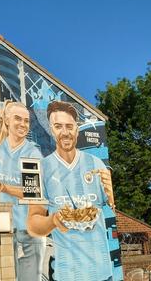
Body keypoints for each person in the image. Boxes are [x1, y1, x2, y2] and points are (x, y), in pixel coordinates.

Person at [27, 101, 115, 281]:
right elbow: (32, 225)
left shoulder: (97, 164)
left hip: (102, 273)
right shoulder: (36, 170)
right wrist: (53, 220)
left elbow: (112, 210)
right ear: (51, 130)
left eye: (69, 126)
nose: (65, 132)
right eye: (58, 126)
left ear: (77, 130)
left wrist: (111, 197)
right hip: (66, 274)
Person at [0, 101, 45, 280]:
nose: (23, 124)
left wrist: (5, 187)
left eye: (26, 121)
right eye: (18, 119)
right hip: (4, 227)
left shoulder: (31, 153)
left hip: (27, 231)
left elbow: (33, 192)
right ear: (7, 120)